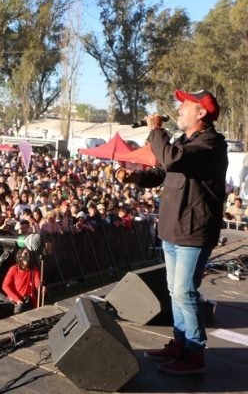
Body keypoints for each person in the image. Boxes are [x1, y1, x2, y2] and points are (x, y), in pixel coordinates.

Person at [115, 90, 227, 375]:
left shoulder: (210, 144)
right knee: (174, 292)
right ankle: (180, 343)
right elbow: (164, 172)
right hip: (173, 228)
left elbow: (171, 159)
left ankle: (194, 351)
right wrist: (136, 176)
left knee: (184, 292)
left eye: (185, 105)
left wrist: (155, 130)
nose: (178, 109)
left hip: (193, 231)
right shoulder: (185, 142)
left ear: (201, 113)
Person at [1, 248, 41, 314]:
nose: (28, 255)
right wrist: (17, 299)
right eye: (25, 253)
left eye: (29, 254)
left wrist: (41, 287)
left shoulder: (34, 270)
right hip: (16, 303)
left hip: (29, 302)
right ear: (19, 257)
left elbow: (38, 283)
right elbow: (5, 286)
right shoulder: (13, 269)